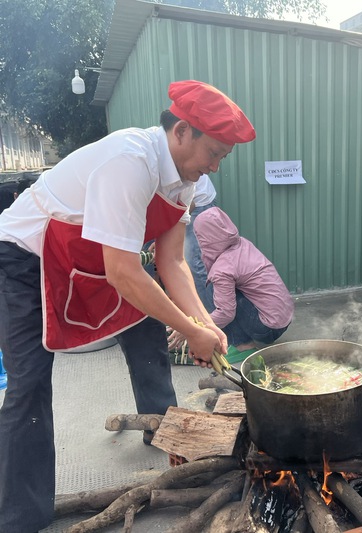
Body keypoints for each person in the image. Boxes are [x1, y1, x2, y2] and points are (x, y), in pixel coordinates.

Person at [0, 79, 255, 533]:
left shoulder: (185, 180)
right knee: (29, 387)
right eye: (214, 153)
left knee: (146, 328)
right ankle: (20, 518)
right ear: (181, 132)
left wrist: (203, 323)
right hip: (24, 258)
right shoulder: (130, 161)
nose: (216, 166)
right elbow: (123, 272)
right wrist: (191, 327)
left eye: (223, 157)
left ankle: (163, 428)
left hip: (89, 259)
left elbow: (171, 261)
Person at [193, 206, 294, 360]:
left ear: (204, 238)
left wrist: (197, 328)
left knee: (212, 290)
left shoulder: (222, 269)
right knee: (224, 290)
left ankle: (243, 346)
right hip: (284, 318)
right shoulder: (242, 243)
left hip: (267, 328)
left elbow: (226, 313)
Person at [185, 174, 217, 312]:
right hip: (187, 202)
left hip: (197, 204)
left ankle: (212, 319)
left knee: (196, 264)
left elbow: (188, 204)